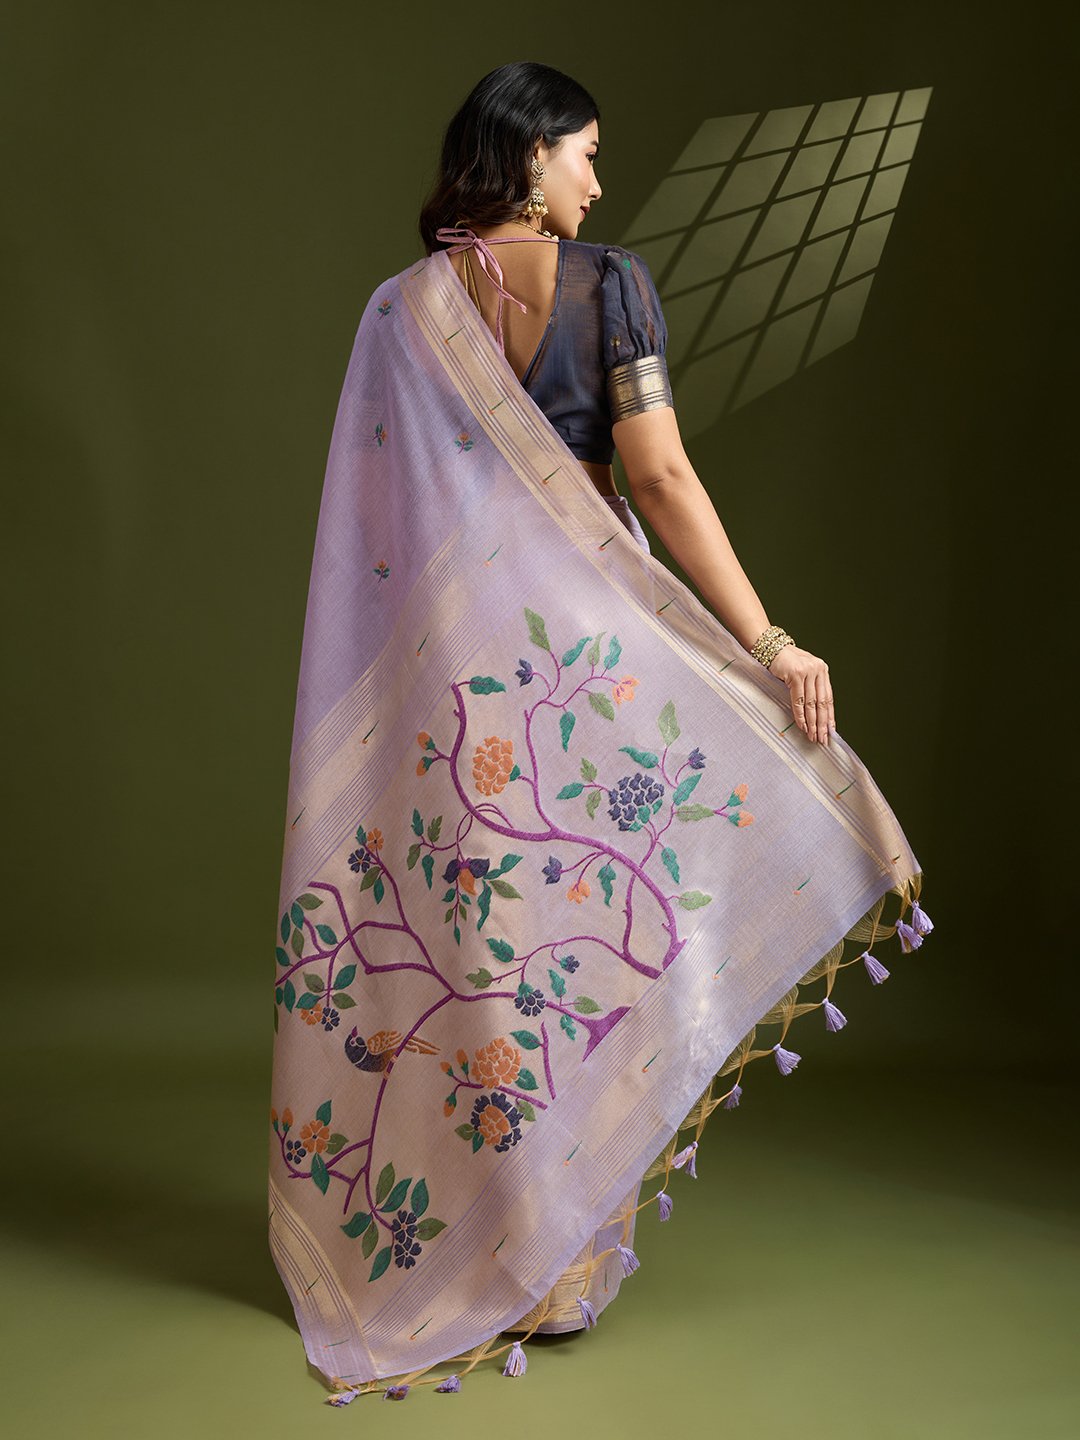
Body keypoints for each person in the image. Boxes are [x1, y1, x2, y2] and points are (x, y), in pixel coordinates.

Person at [270, 62, 929, 1403]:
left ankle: (511, 1251)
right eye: (584, 153)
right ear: (530, 155)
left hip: (459, 677)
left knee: (489, 950)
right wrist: (769, 643)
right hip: (591, 655)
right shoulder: (606, 284)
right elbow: (660, 475)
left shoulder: (400, 310)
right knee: (595, 929)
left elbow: (378, 531)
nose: (598, 179)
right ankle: (558, 1267)